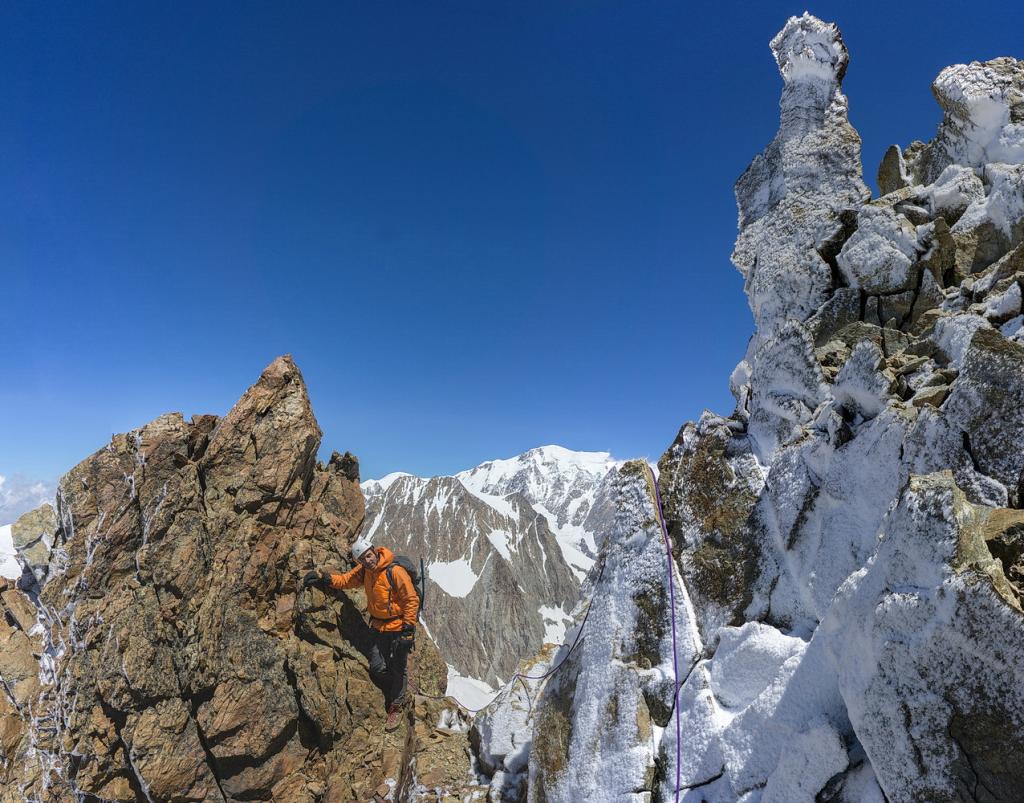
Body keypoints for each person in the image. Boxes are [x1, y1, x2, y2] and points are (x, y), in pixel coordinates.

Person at [303, 534, 417, 730]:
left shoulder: (395, 571)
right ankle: (397, 686)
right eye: (363, 558)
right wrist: (325, 579)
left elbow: (411, 600)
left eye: (369, 555)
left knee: (399, 667)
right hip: (378, 626)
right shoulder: (365, 571)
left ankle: (396, 706)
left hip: (398, 627)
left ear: (374, 551)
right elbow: (346, 580)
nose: (368, 560)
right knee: (377, 667)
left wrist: (408, 631)